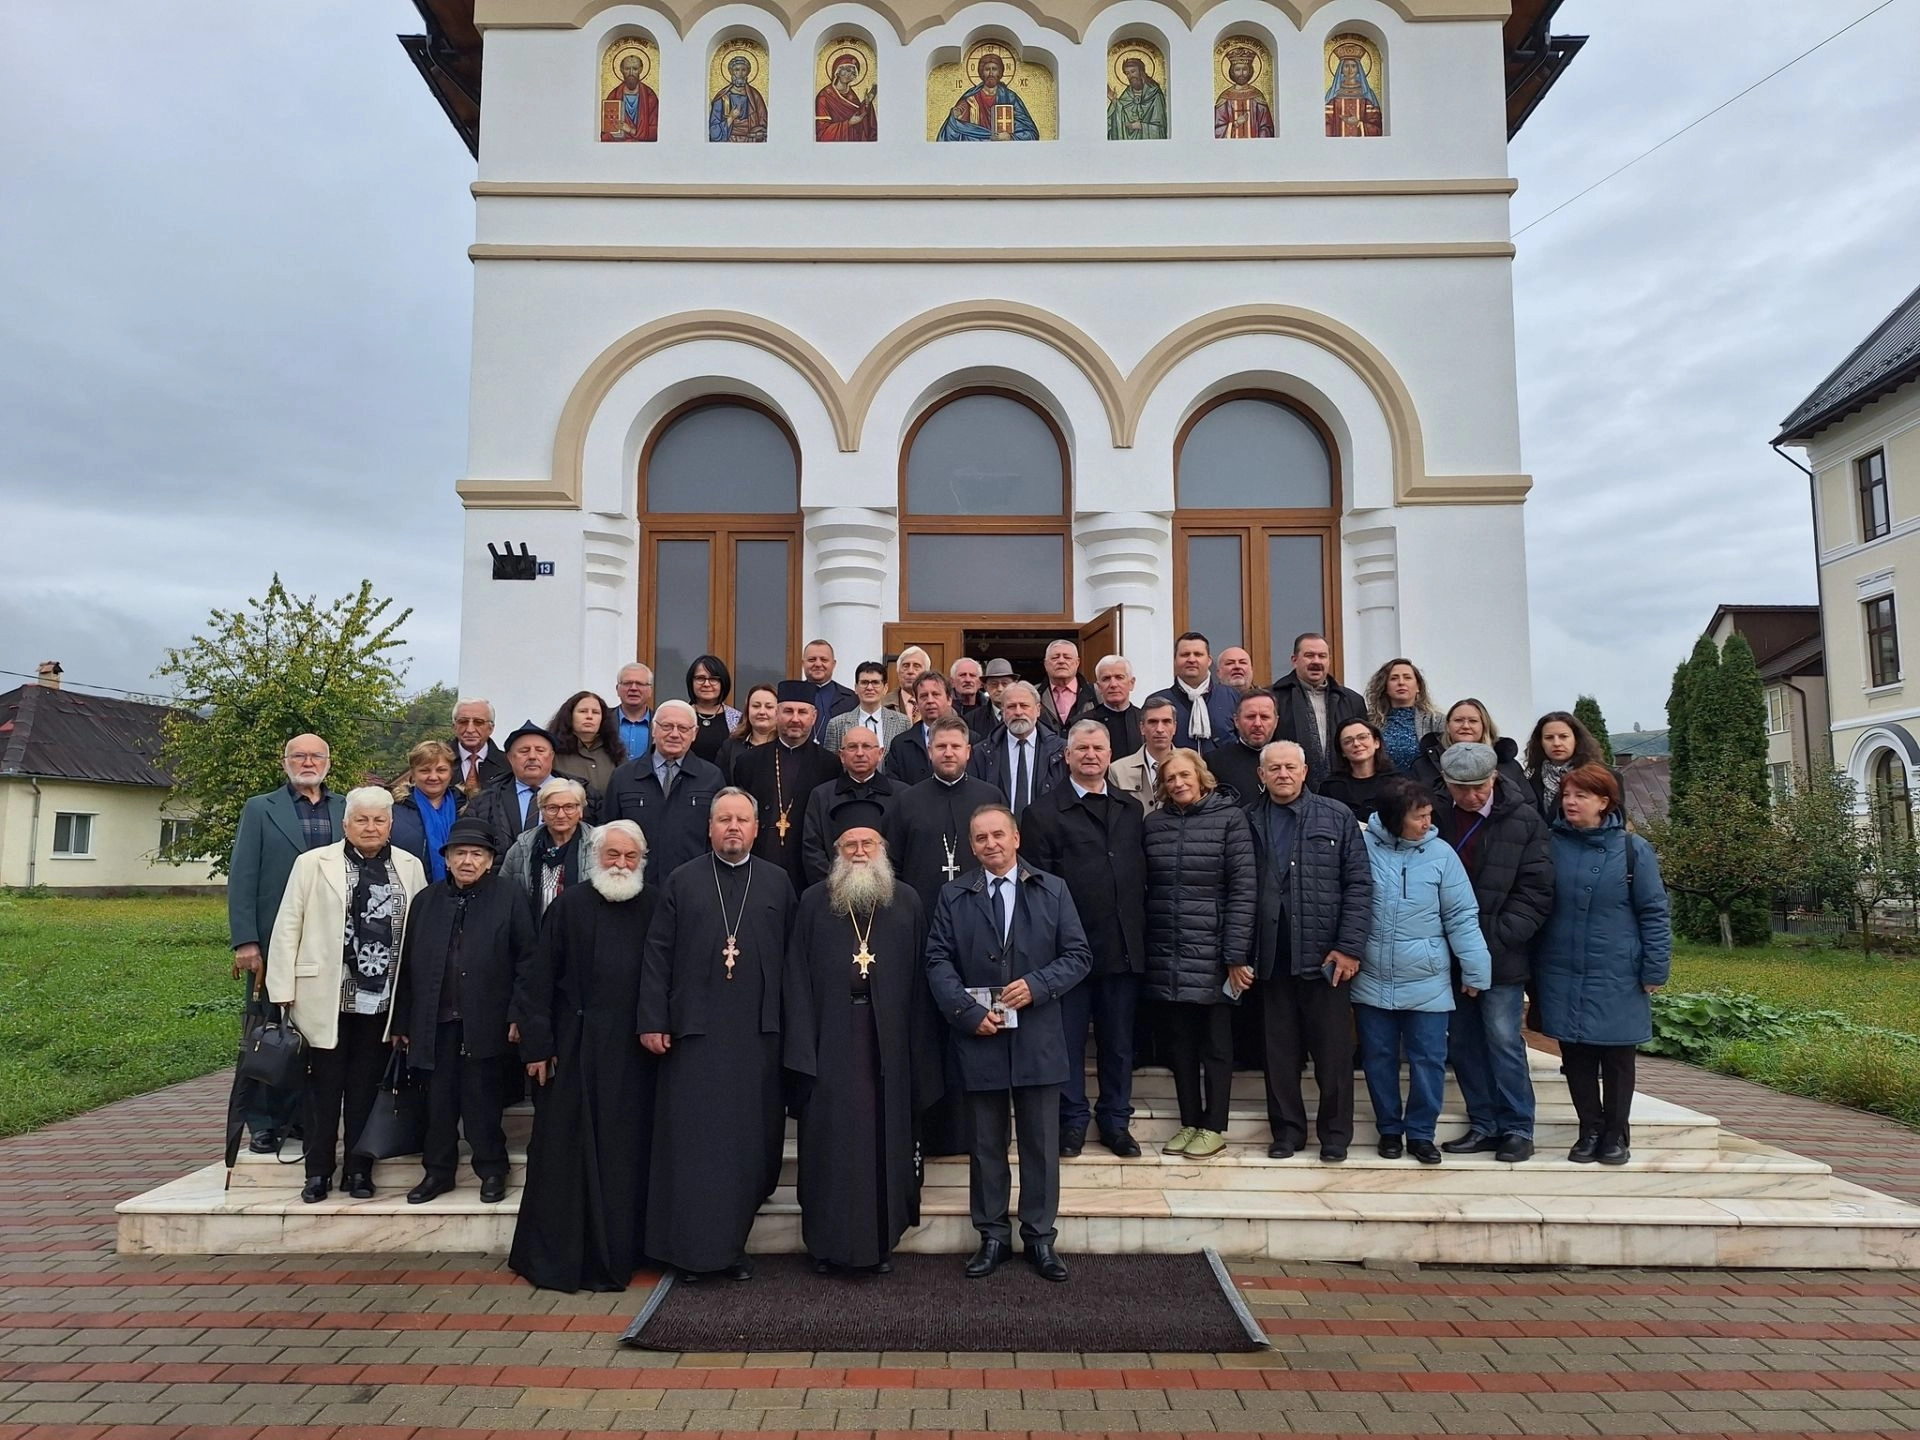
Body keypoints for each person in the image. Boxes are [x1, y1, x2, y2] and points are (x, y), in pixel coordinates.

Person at [925, 804, 1091, 1281]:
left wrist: (1039, 985)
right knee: (985, 1146)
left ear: (1016, 838)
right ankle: (993, 1236)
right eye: (981, 838)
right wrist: (966, 1012)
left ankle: (1040, 1239)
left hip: (1038, 1037)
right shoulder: (954, 895)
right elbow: (937, 960)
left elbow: (1079, 955)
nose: (991, 844)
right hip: (981, 1037)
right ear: (972, 846)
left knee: (1041, 1145)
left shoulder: (1053, 889)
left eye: (999, 834)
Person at [639, 789, 798, 1280]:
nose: (733, 827)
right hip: (695, 1036)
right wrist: (653, 1019)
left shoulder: (777, 882)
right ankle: (691, 1252)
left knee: (748, 1145)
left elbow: (793, 961)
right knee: (696, 1146)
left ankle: (730, 1247)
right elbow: (658, 955)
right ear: (709, 828)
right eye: (724, 819)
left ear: (756, 829)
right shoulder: (682, 880)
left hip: (757, 1037)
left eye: (742, 820)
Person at [785, 814, 942, 1272]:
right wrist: (802, 1050)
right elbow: (795, 979)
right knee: (830, 1143)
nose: (858, 851)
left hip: (888, 1042)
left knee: (882, 1141)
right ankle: (827, 1245)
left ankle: (879, 1243)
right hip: (829, 1041)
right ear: (835, 853)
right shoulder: (814, 902)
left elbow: (922, 981)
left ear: (883, 851)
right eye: (849, 844)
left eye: (867, 843)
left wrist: (919, 1052)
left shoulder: (906, 901)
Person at [509, 821, 661, 1292]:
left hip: (635, 1055)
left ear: (642, 861)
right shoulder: (568, 906)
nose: (621, 864)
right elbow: (537, 980)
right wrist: (538, 1045)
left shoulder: (656, 906)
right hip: (572, 1049)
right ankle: (560, 1258)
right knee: (563, 1154)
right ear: (595, 858)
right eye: (612, 855)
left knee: (627, 1155)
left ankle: (627, 1253)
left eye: (630, 857)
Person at [267, 786, 428, 1203]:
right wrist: (281, 989)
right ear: (345, 824)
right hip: (325, 994)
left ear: (390, 825)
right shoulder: (313, 863)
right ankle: (318, 1172)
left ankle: (359, 1170)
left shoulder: (409, 866)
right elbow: (288, 925)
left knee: (365, 1090)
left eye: (379, 820)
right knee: (323, 1089)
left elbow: (420, 932)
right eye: (362, 819)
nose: (370, 827)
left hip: (382, 998)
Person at [389, 815, 536, 1205]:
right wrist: (403, 1020)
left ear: (489, 861)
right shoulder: (427, 901)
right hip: (435, 1021)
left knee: (482, 1101)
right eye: (459, 853)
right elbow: (407, 965)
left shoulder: (509, 897)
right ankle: (438, 1173)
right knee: (437, 1103)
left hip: (486, 1019)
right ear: (447, 858)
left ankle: (492, 1170)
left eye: (476, 854)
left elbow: (527, 960)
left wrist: (518, 1013)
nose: (467, 861)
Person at [1020, 720, 1147, 1158]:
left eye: (1098, 748)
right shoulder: (1041, 813)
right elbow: (1036, 888)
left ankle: (1115, 1121)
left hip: (1121, 946)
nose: (1091, 755)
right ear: (1066, 756)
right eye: (1082, 749)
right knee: (1068, 1042)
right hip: (1065, 952)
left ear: (1110, 755)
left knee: (1119, 1043)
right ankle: (1071, 1121)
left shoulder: (1130, 809)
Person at [1534, 764, 1671, 1165]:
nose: (1570, 802)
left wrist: (1654, 968)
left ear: (1604, 802)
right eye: (1566, 795)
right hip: (1562, 967)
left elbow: (1654, 911)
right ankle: (1589, 1129)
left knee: (1617, 1057)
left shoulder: (1632, 849)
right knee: (1575, 1054)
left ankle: (1615, 1133)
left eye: (1582, 795)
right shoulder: (1550, 845)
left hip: (1617, 970)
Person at [884, 715, 1005, 1157]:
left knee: (977, 1029)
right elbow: (892, 868)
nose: (949, 753)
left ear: (969, 752)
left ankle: (978, 1132)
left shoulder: (989, 797)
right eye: (941, 747)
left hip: (982, 933)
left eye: (956, 746)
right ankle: (931, 1130)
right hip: (922, 933)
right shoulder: (906, 800)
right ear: (929, 751)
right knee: (928, 1033)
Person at [1353, 777, 1491, 1165]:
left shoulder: (1441, 854)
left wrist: (1475, 969)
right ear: (1394, 818)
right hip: (1372, 977)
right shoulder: (1361, 848)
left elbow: (1462, 916)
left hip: (1428, 978)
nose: (1427, 823)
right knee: (1378, 1058)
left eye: (1429, 814)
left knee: (1428, 1059)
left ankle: (1421, 1133)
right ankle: (1389, 1130)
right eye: (1419, 816)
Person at [1431, 743, 1554, 1165]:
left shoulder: (1524, 819)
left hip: (1501, 952)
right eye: (1460, 788)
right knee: (1464, 1042)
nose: (1470, 797)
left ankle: (1518, 1127)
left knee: (1503, 1039)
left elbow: (1536, 891)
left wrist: (1488, 942)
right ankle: (1483, 1123)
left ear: (1494, 778)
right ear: (1446, 783)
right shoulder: (1434, 816)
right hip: (1447, 953)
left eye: (1478, 787)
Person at [1248, 741, 1371, 1161]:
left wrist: (1349, 947)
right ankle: (1287, 1132)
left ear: (1304, 772)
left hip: (1326, 957)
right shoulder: (1246, 820)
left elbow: (1359, 885)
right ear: (1261, 775)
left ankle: (1335, 1135)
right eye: (1274, 768)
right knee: (1278, 1053)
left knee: (1333, 1053)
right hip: (1270, 954)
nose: (1283, 774)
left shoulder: (1336, 816)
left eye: (1290, 767)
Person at [229, 734, 346, 1152]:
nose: (308, 762)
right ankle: (264, 1121)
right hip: (274, 939)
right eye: (299, 756)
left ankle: (300, 1118)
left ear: (328, 762)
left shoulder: (345, 808)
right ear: (285, 762)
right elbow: (243, 874)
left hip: (329, 941)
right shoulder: (261, 808)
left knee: (312, 1031)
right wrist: (246, 940)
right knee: (268, 1031)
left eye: (316, 756)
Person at [1142, 749, 1257, 1160]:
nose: (1178, 783)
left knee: (1216, 1045)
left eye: (1184, 775)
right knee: (1180, 1045)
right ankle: (1189, 1121)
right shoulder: (1153, 824)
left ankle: (1214, 1126)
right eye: (1170, 778)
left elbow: (1243, 890)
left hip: (1214, 952)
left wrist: (1235, 954)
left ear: (1201, 777)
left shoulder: (1230, 819)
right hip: (1167, 951)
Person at [734, 680, 840, 892]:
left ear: (814, 717)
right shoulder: (749, 762)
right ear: (777, 714)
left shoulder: (830, 765)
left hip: (808, 870)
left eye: (802, 712)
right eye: (788, 711)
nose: (795, 719)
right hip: (759, 864)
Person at [603, 700, 725, 881]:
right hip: (636, 883)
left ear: (694, 733)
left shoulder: (711, 777)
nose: (674, 734)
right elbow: (608, 832)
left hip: (693, 883)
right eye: (667, 726)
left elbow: (718, 835)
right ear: (653, 729)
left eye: (683, 728)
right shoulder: (624, 776)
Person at [802, 724, 897, 885]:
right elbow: (812, 849)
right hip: (833, 889)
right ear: (841, 755)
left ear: (880, 753)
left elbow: (906, 850)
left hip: (889, 889)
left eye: (866, 746)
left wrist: (890, 884)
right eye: (852, 747)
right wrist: (834, 884)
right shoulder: (821, 796)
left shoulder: (901, 795)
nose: (860, 753)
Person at [1270, 632, 1366, 789]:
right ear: (1294, 660)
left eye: (1322, 656)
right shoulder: (1273, 698)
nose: (1316, 661)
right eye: (1309, 655)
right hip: (1289, 789)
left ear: (1329, 660)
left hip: (1344, 790)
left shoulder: (1352, 700)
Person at [501, 777, 596, 922]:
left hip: (581, 929)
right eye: (552, 808)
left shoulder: (598, 845)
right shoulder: (522, 846)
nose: (561, 815)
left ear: (580, 810)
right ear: (542, 812)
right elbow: (503, 893)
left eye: (569, 807)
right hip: (532, 930)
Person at [968, 680, 1064, 819]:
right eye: (1011, 707)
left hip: (1048, 829)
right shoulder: (981, 753)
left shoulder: (1061, 752)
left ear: (1038, 710)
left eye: (1024, 706)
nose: (1018, 712)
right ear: (1003, 712)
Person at [467, 721, 560, 856]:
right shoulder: (486, 799)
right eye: (524, 751)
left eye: (540, 750)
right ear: (510, 758)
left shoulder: (579, 794)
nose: (532, 756)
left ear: (551, 756)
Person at [1410, 697, 1531, 795]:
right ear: (1447, 726)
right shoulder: (1424, 766)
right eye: (1458, 720)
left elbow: (1528, 803)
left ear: (1484, 726)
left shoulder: (1508, 766)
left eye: (1473, 721)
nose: (1465, 726)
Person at [391, 740, 464, 883]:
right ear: (413, 773)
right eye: (425, 770)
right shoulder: (395, 810)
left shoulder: (468, 807)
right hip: (411, 886)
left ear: (451, 772)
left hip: (463, 889)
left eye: (441, 770)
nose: (433, 777)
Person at [1151, 632, 1237, 752]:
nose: (1191, 659)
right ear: (1175, 660)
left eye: (1198, 654)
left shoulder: (1232, 697)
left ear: (1209, 660)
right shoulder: (1158, 702)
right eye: (1185, 655)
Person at [1525, 710, 1611, 822]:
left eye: (1563, 736)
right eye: (1549, 738)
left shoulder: (1602, 778)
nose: (1556, 743)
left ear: (1576, 740)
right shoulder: (1530, 781)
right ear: (1540, 742)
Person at [937, 51, 1038, 141]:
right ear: (981, 72)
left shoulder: (1010, 97)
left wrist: (1009, 137)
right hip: (975, 142)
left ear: (1000, 72)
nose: (990, 73)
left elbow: (1030, 133)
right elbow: (953, 128)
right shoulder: (971, 97)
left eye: (994, 69)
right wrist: (955, 115)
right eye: (987, 69)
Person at [549, 690, 628, 804]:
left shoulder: (615, 751)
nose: (589, 716)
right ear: (570, 715)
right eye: (583, 711)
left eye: (596, 712)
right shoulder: (553, 750)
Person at [1365, 658, 1443, 774]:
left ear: (1418, 687)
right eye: (1394, 678)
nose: (1401, 682)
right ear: (1385, 687)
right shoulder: (1370, 722)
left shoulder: (1436, 721)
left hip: (1425, 784)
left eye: (1407, 677)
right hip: (1384, 784)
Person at [1204, 689, 1279, 803]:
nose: (1257, 724)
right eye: (1250, 717)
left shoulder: (1291, 760)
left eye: (1264, 717)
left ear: (1276, 722)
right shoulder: (1213, 762)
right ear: (1236, 721)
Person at [1107, 694, 1177, 814]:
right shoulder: (1118, 771)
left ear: (1174, 727)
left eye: (1166, 722)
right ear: (1142, 728)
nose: (1160, 729)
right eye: (1153, 722)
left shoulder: (1191, 765)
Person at [885, 671, 955, 787]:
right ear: (917, 703)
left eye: (936, 694)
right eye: (924, 696)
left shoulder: (969, 739)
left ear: (949, 700)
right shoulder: (900, 744)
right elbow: (894, 787)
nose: (930, 700)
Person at [1319, 718, 1395, 823]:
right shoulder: (1330, 787)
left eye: (1362, 737)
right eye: (1347, 741)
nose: (1356, 744)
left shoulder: (1397, 782)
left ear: (1376, 742)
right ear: (1342, 752)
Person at [826, 661, 911, 751]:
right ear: (856, 688)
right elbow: (831, 759)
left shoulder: (902, 722)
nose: (869, 688)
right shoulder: (837, 725)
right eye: (864, 682)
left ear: (885, 688)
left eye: (875, 682)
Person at [717, 682, 779, 784]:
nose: (762, 712)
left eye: (769, 707)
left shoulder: (786, 746)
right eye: (756, 706)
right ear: (747, 710)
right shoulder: (730, 747)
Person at [686, 655, 741, 765]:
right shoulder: (679, 714)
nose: (706, 684)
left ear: (723, 683)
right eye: (700, 678)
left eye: (713, 679)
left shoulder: (738, 719)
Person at [801, 638, 858, 744]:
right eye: (812, 660)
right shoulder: (792, 696)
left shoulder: (851, 699)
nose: (818, 664)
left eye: (824, 660)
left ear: (833, 664)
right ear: (803, 663)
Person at [1088, 654, 1143, 758]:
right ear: (1099, 687)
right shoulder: (1084, 722)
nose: (1113, 684)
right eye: (1106, 679)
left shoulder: (1144, 720)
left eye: (1119, 677)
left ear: (1131, 683)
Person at [815, 52, 878, 141]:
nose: (849, 75)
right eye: (847, 70)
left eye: (853, 73)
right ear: (837, 71)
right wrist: (849, 123)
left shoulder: (852, 95)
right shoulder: (824, 97)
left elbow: (860, 117)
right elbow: (822, 134)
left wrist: (867, 103)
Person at [1038, 639, 1098, 733]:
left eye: (1067, 657)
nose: (1061, 661)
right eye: (1055, 658)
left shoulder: (1097, 693)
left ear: (1077, 663)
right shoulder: (1033, 694)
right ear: (1045, 664)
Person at [1214, 46, 1275, 138]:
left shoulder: (1257, 97)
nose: (1241, 73)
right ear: (1232, 72)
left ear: (1250, 71)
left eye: (1245, 69)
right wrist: (1236, 123)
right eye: (1237, 70)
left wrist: (1260, 142)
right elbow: (1217, 129)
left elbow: (1267, 127)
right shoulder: (1225, 98)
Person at [601, 48, 659, 141]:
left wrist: (630, 130)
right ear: (621, 70)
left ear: (640, 70)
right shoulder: (613, 96)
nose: (631, 73)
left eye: (635, 69)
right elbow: (606, 131)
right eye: (627, 69)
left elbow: (656, 130)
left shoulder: (650, 97)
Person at [708, 52, 769, 142]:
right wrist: (731, 117)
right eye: (736, 70)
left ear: (747, 73)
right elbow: (713, 130)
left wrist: (759, 131)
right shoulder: (722, 96)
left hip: (751, 140)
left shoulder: (755, 96)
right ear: (732, 72)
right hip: (728, 140)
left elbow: (764, 123)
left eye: (743, 70)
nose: (740, 73)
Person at [452, 699, 510, 792]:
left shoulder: (508, 764)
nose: (470, 730)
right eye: (463, 722)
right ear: (454, 727)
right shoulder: (438, 760)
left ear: (491, 728)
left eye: (478, 722)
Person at [1107, 53, 1168, 139]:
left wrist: (1141, 126)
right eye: (1127, 73)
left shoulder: (1154, 93)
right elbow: (1121, 113)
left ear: (1141, 72)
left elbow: (1161, 126)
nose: (1130, 76)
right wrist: (1114, 100)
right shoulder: (1127, 93)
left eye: (1133, 71)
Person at [613, 664, 655, 760]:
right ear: (617, 689)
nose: (633, 688)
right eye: (627, 683)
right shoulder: (603, 720)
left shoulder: (661, 724)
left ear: (650, 691)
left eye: (640, 684)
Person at [950, 657, 993, 737]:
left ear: (980, 683)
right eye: (962, 675)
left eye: (972, 675)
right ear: (952, 682)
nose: (968, 680)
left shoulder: (990, 710)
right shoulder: (945, 709)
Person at [887, 646, 930, 717]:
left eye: (916, 666)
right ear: (898, 672)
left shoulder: (938, 705)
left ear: (926, 673)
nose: (910, 671)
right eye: (905, 666)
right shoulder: (883, 705)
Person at [978, 657, 1017, 734]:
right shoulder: (973, 719)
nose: (1000, 689)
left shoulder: (1025, 715)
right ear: (985, 687)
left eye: (1005, 683)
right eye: (994, 684)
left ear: (1014, 685)